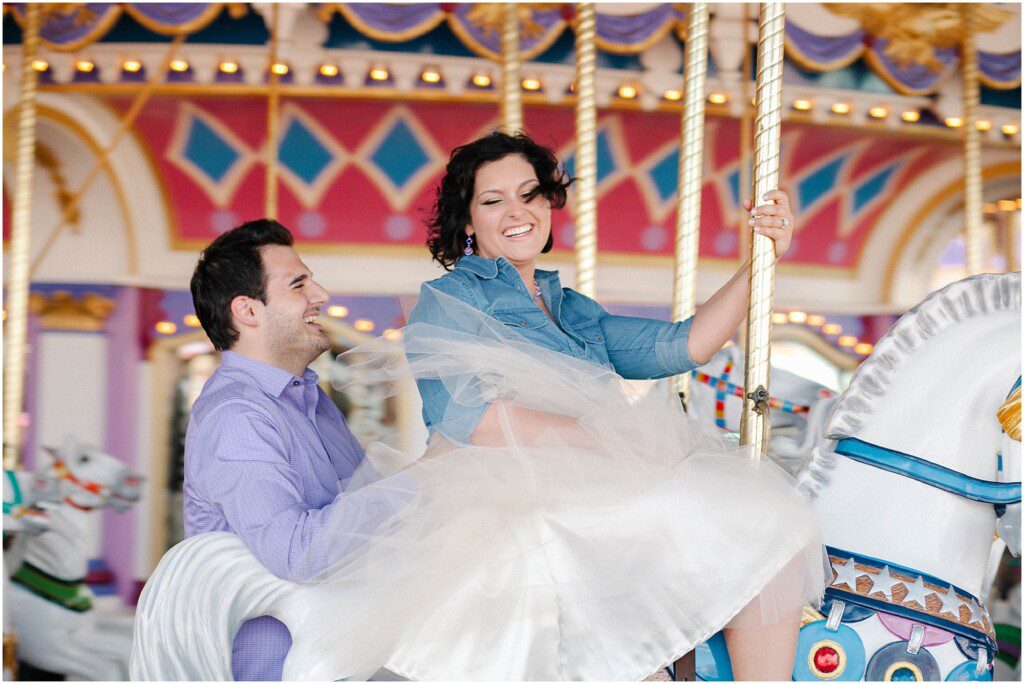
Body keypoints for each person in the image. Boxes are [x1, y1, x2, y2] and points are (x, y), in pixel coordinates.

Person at [270, 131, 826, 680]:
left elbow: (686, 345)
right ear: (468, 223)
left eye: (530, 194)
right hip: (500, 491)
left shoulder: (573, 307)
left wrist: (760, 260)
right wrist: (608, 436)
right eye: (493, 201)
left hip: (589, 482)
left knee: (765, 525)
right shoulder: (450, 300)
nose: (518, 211)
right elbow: (473, 418)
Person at [183, 219, 414, 680]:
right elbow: (297, 554)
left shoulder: (309, 400)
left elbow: (364, 516)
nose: (321, 295)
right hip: (280, 664)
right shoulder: (237, 416)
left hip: (341, 645)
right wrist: (419, 482)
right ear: (248, 312)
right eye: (299, 284)